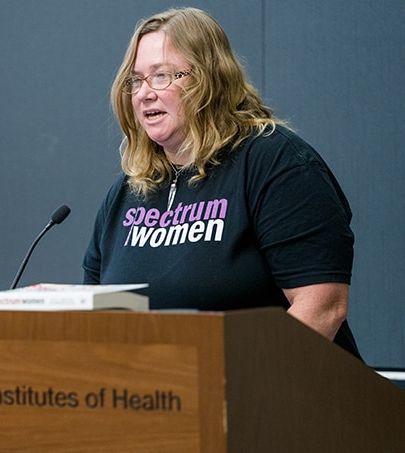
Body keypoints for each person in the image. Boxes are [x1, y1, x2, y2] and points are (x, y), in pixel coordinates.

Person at [82, 7, 361, 359]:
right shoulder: (126, 194)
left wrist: (234, 391)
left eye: (162, 76)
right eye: (136, 80)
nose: (144, 93)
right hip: (158, 403)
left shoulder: (274, 163)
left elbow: (322, 307)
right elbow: (95, 322)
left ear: (209, 79)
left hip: (272, 402)